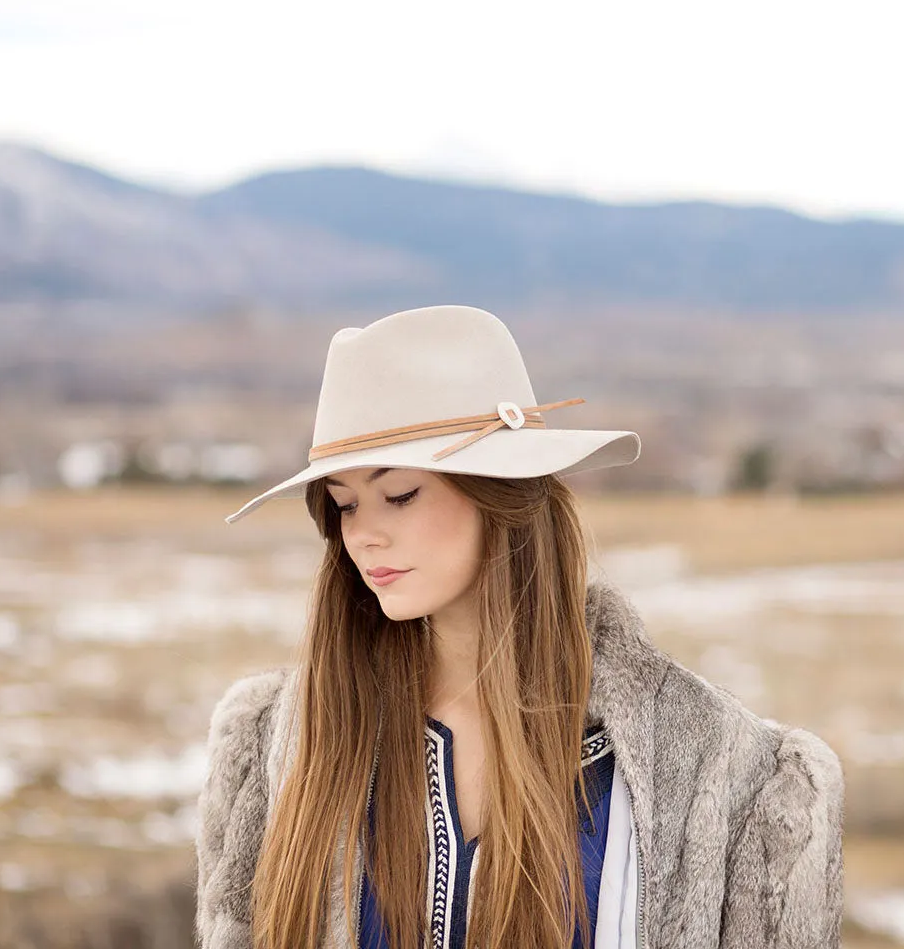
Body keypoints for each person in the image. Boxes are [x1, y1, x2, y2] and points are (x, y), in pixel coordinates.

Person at [194, 305, 845, 949]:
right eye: (342, 504)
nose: (362, 533)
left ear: (499, 491)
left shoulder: (721, 767)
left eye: (399, 494)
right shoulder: (280, 745)